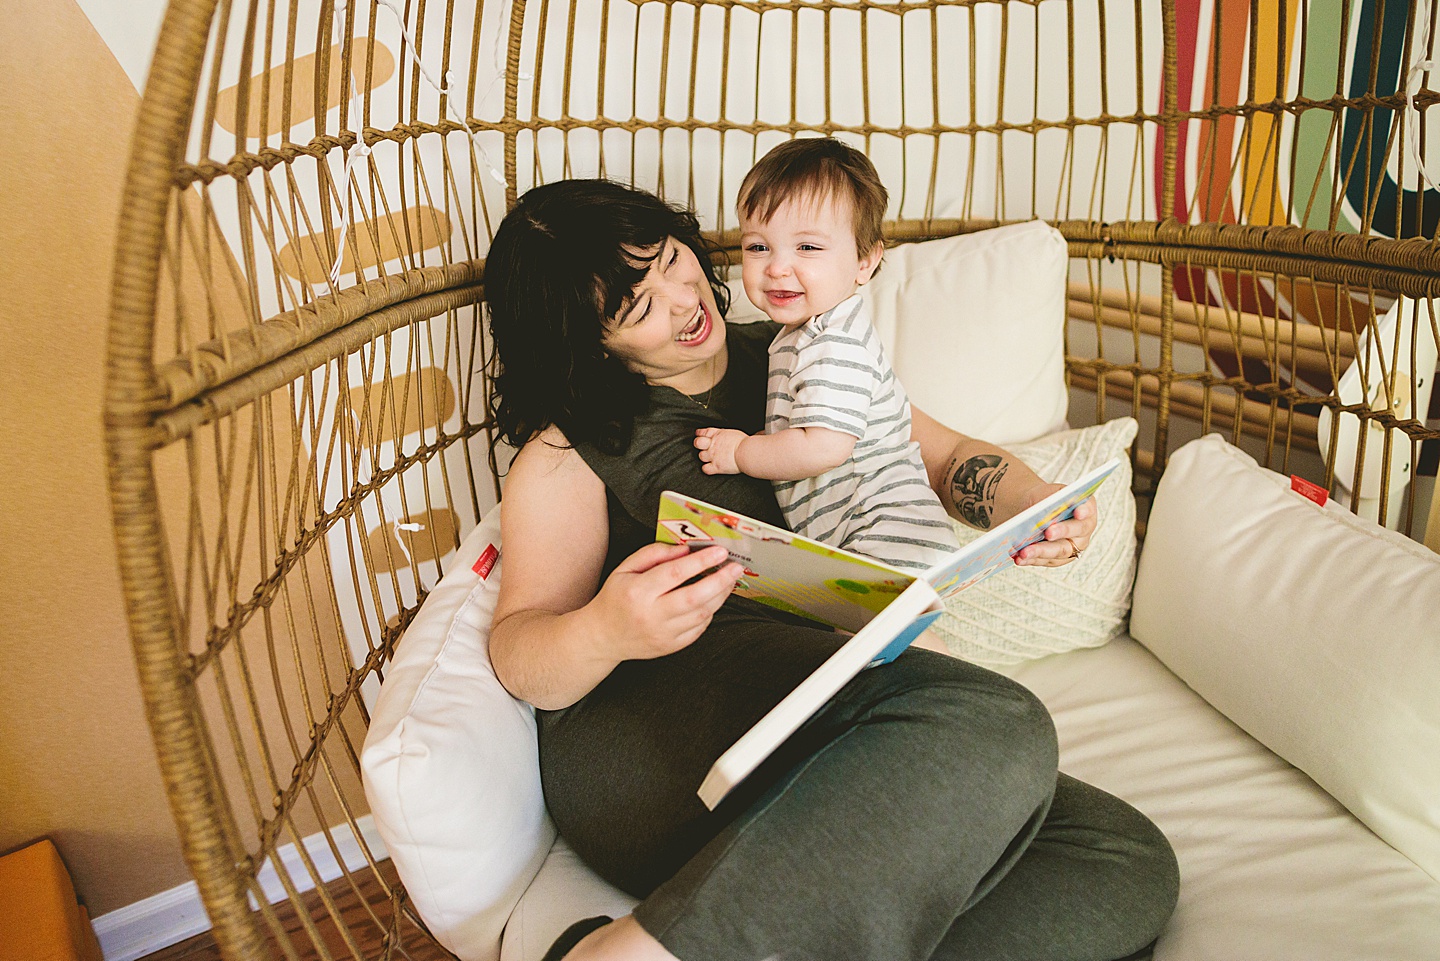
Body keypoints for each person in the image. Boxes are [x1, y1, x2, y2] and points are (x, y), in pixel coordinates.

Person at [484, 177, 1178, 961]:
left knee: (1119, 859)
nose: (683, 300)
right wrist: (607, 627)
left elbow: (945, 457)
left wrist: (1035, 500)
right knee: (995, 719)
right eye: (639, 307)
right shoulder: (568, 449)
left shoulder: (806, 349)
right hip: (663, 741)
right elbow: (519, 653)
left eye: (675, 261)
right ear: (592, 343)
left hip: (836, 712)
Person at [695, 138, 959, 571]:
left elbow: (824, 447)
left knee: (866, 635)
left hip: (883, 531)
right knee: (889, 638)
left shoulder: (835, 344)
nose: (777, 267)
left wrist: (741, 453)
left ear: (865, 262)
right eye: (758, 247)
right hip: (858, 534)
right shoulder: (804, 334)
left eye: (808, 248)